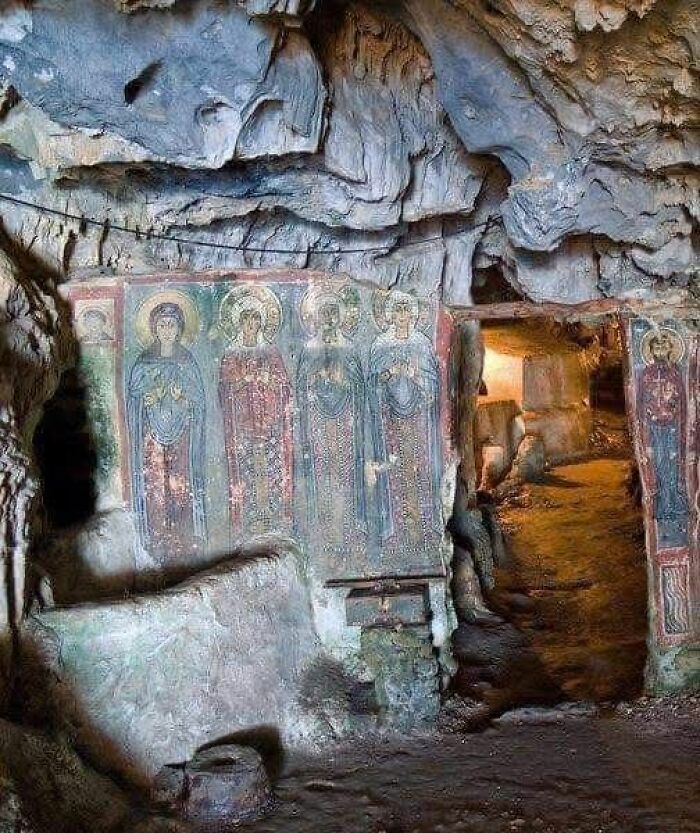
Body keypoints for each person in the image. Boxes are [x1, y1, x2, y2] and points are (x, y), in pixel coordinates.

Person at [127, 301, 207, 564]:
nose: (167, 329)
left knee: (180, 480)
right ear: (154, 328)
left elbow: (198, 399)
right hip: (152, 435)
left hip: (182, 434)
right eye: (162, 324)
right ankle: (157, 535)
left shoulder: (187, 362)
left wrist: (182, 398)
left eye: (172, 325)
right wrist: (149, 398)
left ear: (180, 329)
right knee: (155, 482)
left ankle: (183, 535)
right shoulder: (143, 362)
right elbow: (135, 397)